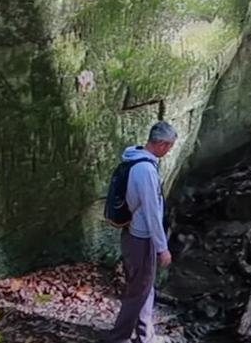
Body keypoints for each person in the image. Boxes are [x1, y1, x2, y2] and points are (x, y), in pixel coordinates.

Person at [107, 121, 177, 343]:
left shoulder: (135, 158)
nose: (169, 151)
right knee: (138, 291)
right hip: (141, 238)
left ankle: (145, 336)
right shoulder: (145, 170)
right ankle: (118, 337)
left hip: (132, 234)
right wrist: (162, 247)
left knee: (144, 287)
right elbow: (152, 213)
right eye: (170, 147)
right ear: (162, 144)